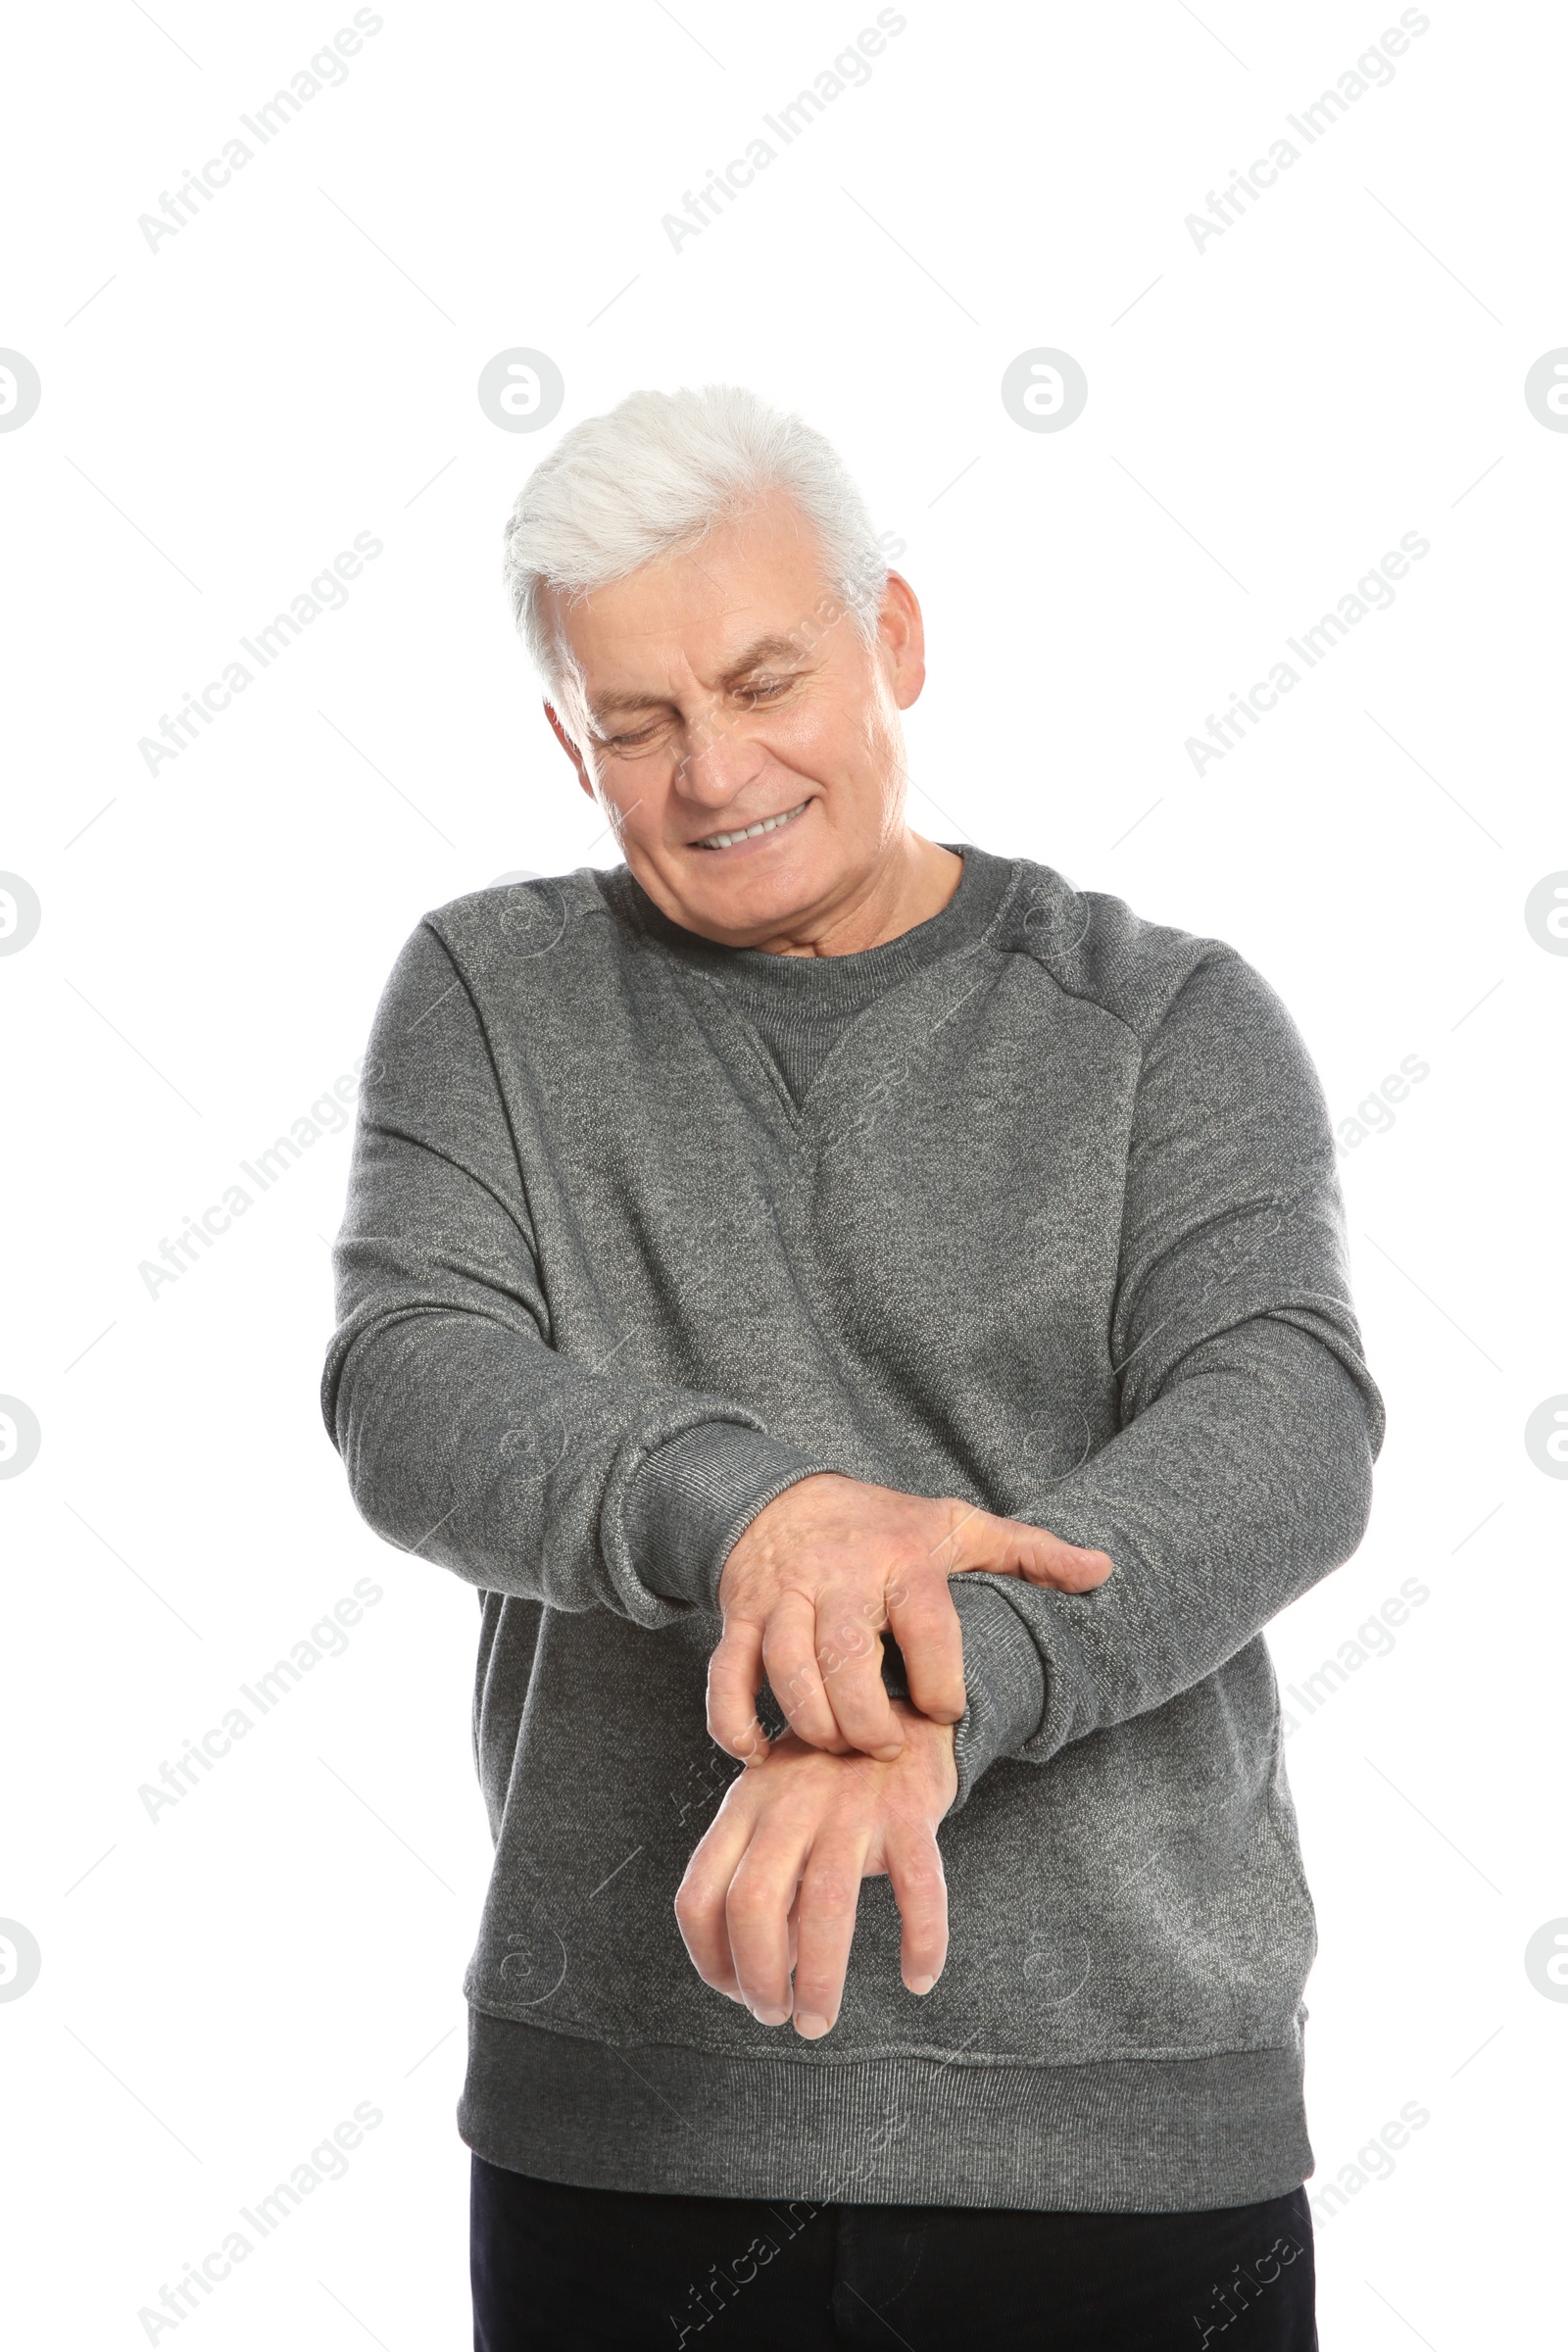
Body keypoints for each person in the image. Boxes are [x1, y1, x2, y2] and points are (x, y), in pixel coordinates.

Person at [320, 383, 1384, 2350]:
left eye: (760, 679)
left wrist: (927, 1684)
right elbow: (413, 1387)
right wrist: (768, 1520)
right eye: (635, 722)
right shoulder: (492, 994)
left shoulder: (1166, 1023)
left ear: (890, 640)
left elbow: (1285, 1426)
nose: (712, 768)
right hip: (627, 2137)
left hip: (1119, 2134)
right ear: (568, 738)